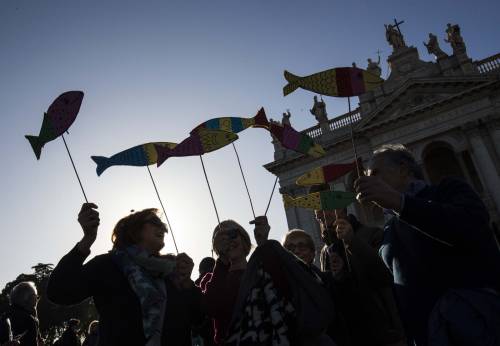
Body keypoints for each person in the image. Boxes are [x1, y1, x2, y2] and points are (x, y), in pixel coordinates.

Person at [355, 143, 500, 346]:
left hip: (477, 324)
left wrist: (400, 203)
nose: (368, 180)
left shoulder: (448, 190)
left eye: (375, 173)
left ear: (403, 170)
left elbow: (470, 226)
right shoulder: (389, 229)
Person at [47, 203, 202, 346]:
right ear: (134, 230)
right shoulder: (108, 265)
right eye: (154, 223)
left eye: (162, 224)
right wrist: (87, 240)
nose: (162, 228)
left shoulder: (171, 272)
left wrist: (188, 284)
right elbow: (58, 291)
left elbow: (200, 318)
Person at [312, 184, 406, 346]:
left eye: (324, 207)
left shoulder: (372, 234)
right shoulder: (326, 251)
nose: (320, 214)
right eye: (317, 212)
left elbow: (385, 275)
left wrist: (352, 241)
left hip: (383, 334)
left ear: (341, 207)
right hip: (350, 337)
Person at [0, 282, 41, 346]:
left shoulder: (3, 317)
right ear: (27, 298)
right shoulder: (29, 320)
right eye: (35, 297)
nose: (37, 301)